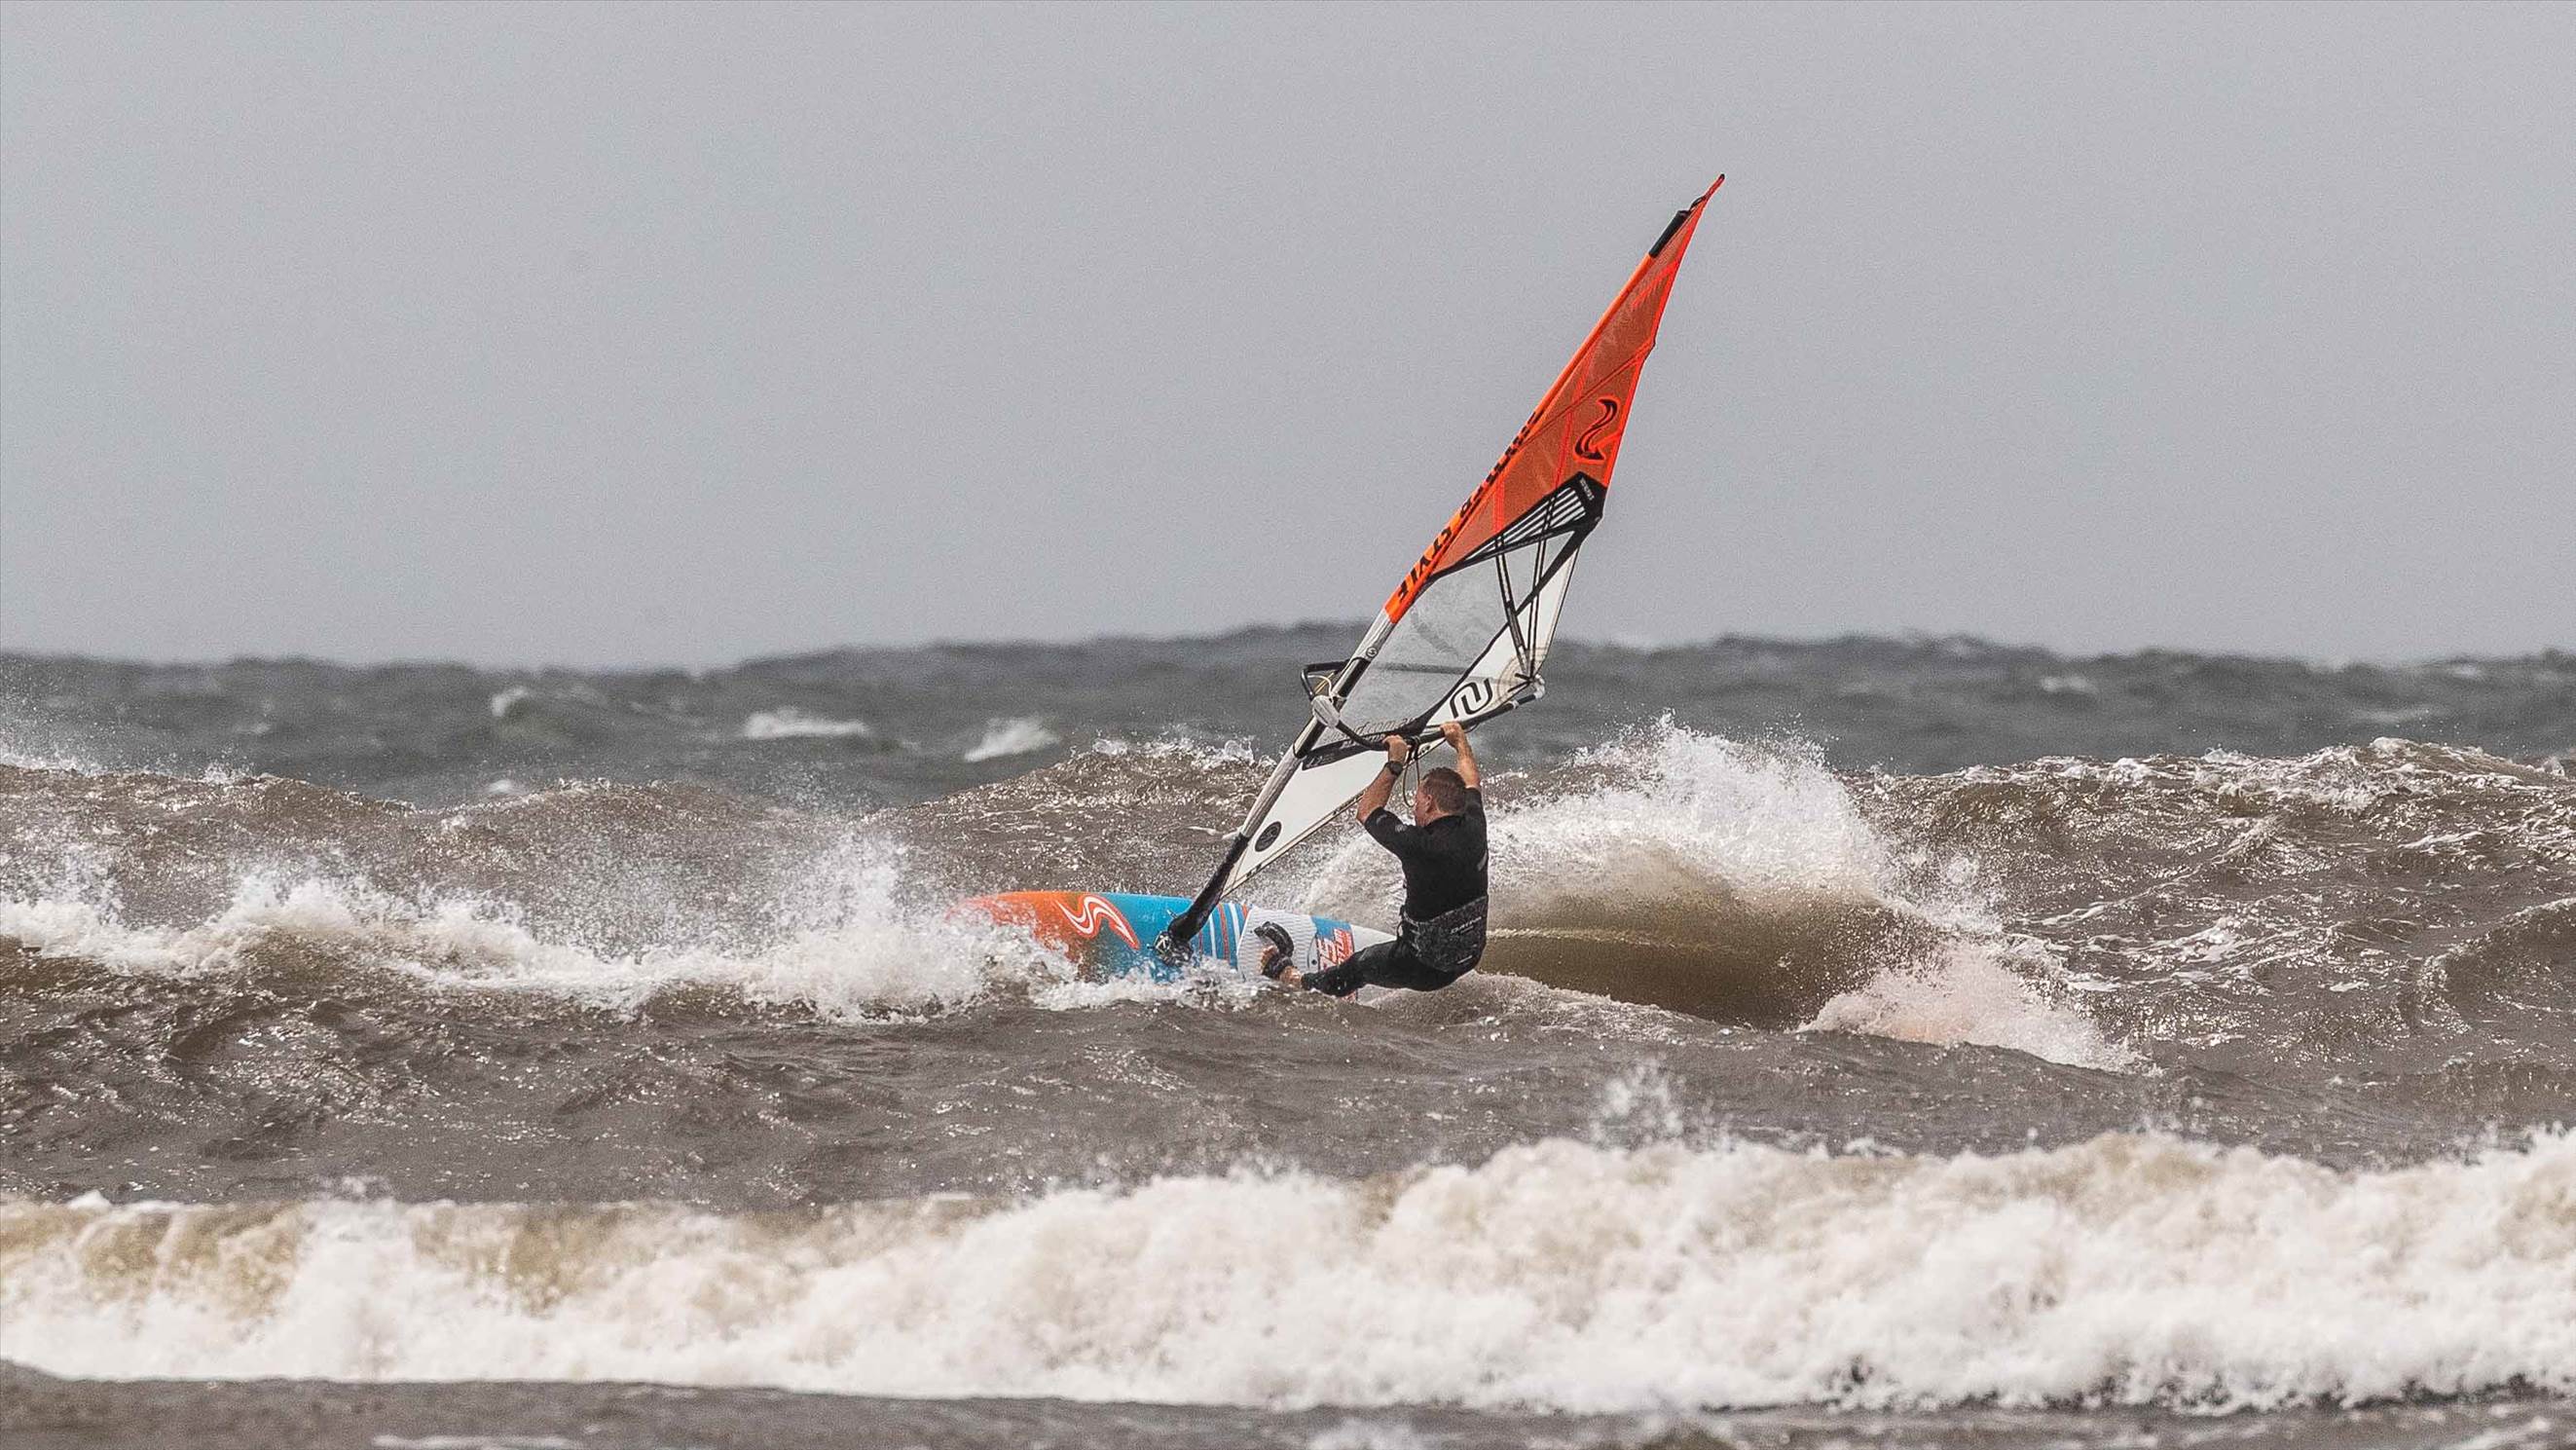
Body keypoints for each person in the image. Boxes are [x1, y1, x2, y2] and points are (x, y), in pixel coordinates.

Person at [1261, 720, 1488, 995]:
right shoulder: (1475, 823)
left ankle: (1292, 978)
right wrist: (1460, 743)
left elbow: (1367, 810)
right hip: (1468, 956)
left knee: (1360, 965)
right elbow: (1471, 779)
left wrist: (1395, 763)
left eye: (1416, 800)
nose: (1414, 807)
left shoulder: (1419, 845)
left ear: (1429, 802)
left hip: (1425, 969)